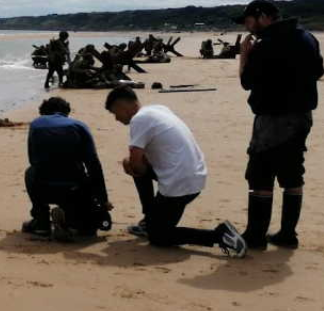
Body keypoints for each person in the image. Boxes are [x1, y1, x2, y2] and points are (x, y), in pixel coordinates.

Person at [104, 86, 246, 257]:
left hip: (179, 186)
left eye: (115, 113)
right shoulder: (158, 109)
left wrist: (133, 165)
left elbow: (136, 163)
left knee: (159, 236)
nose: (116, 118)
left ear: (123, 106)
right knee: (135, 165)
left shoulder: (139, 120)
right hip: (195, 177)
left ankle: (219, 235)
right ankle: (149, 220)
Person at [235, 0, 324, 250]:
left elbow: (246, 82)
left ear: (263, 16)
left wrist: (244, 56)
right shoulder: (307, 37)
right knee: (292, 174)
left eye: (248, 21)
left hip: (274, 117)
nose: (247, 27)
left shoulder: (267, 45)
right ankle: (287, 233)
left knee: (260, 174)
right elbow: (318, 72)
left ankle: (255, 235)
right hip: (302, 116)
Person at [22, 96, 112, 241]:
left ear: (43, 112)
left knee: (31, 172)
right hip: (75, 189)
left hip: (45, 187)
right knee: (86, 229)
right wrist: (103, 199)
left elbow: (33, 160)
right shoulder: (79, 126)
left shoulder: (36, 125)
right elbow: (94, 166)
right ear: (67, 112)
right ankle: (71, 221)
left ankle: (42, 222)